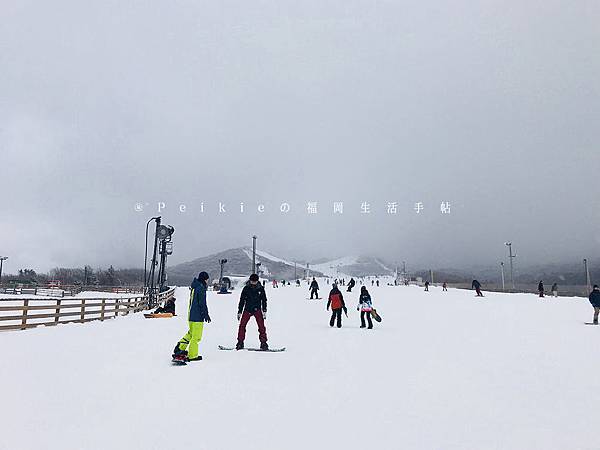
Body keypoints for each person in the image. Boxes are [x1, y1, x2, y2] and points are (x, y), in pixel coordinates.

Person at [173, 272, 211, 362]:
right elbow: (202, 303)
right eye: (207, 279)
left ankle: (180, 347)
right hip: (197, 316)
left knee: (191, 334)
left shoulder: (195, 287)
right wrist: (205, 314)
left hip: (191, 315)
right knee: (196, 337)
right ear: (204, 279)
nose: (207, 281)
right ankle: (193, 355)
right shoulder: (201, 288)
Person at [236, 273, 268, 350]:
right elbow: (242, 300)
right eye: (252, 281)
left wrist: (264, 310)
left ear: (257, 281)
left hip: (257, 309)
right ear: (250, 280)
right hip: (247, 309)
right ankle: (240, 342)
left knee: (261, 327)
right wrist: (239, 311)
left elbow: (264, 300)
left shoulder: (261, 288)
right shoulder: (246, 288)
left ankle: (263, 343)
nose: (253, 283)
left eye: (255, 281)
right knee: (242, 326)